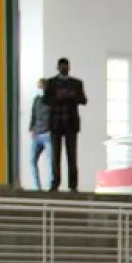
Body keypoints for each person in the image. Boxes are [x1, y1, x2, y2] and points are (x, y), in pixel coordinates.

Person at [43, 58, 87, 192]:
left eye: (66, 66)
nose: (64, 68)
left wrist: (72, 96)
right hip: (56, 123)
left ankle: (73, 185)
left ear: (69, 67)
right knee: (55, 156)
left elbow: (83, 100)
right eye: (62, 66)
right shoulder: (50, 83)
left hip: (71, 124)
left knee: (72, 156)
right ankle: (55, 183)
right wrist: (58, 97)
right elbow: (45, 100)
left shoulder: (77, 83)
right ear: (58, 67)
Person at [29, 78, 51, 190]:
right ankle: (37, 187)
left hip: (48, 134)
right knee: (32, 160)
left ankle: (50, 187)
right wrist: (31, 128)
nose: (39, 89)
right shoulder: (36, 100)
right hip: (37, 134)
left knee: (51, 162)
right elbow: (33, 114)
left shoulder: (51, 101)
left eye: (41, 87)